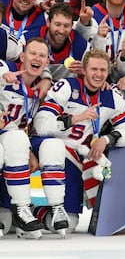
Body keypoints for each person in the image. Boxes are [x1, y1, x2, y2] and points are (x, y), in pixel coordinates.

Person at [32, 49, 125, 234]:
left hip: (76, 159)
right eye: (94, 69)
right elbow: (41, 124)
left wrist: (107, 139)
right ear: (84, 70)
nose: (98, 74)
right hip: (52, 147)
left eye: (103, 70)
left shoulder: (111, 97)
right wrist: (73, 119)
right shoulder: (66, 86)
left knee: (70, 223)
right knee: (54, 146)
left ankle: (34, 212)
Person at [0, 37, 69, 239]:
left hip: (22, 138)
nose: (37, 58)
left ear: (47, 62)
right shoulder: (6, 67)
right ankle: (22, 208)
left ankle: (56, 208)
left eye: (42, 55)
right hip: (8, 137)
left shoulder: (43, 88)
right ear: (22, 56)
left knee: (54, 145)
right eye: (33, 53)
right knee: (17, 140)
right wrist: (4, 77)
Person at [22, 2, 91, 82]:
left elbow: (94, 73)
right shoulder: (27, 39)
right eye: (57, 24)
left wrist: (85, 72)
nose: (61, 31)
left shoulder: (82, 46)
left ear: (72, 25)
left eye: (66, 26)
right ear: (48, 22)